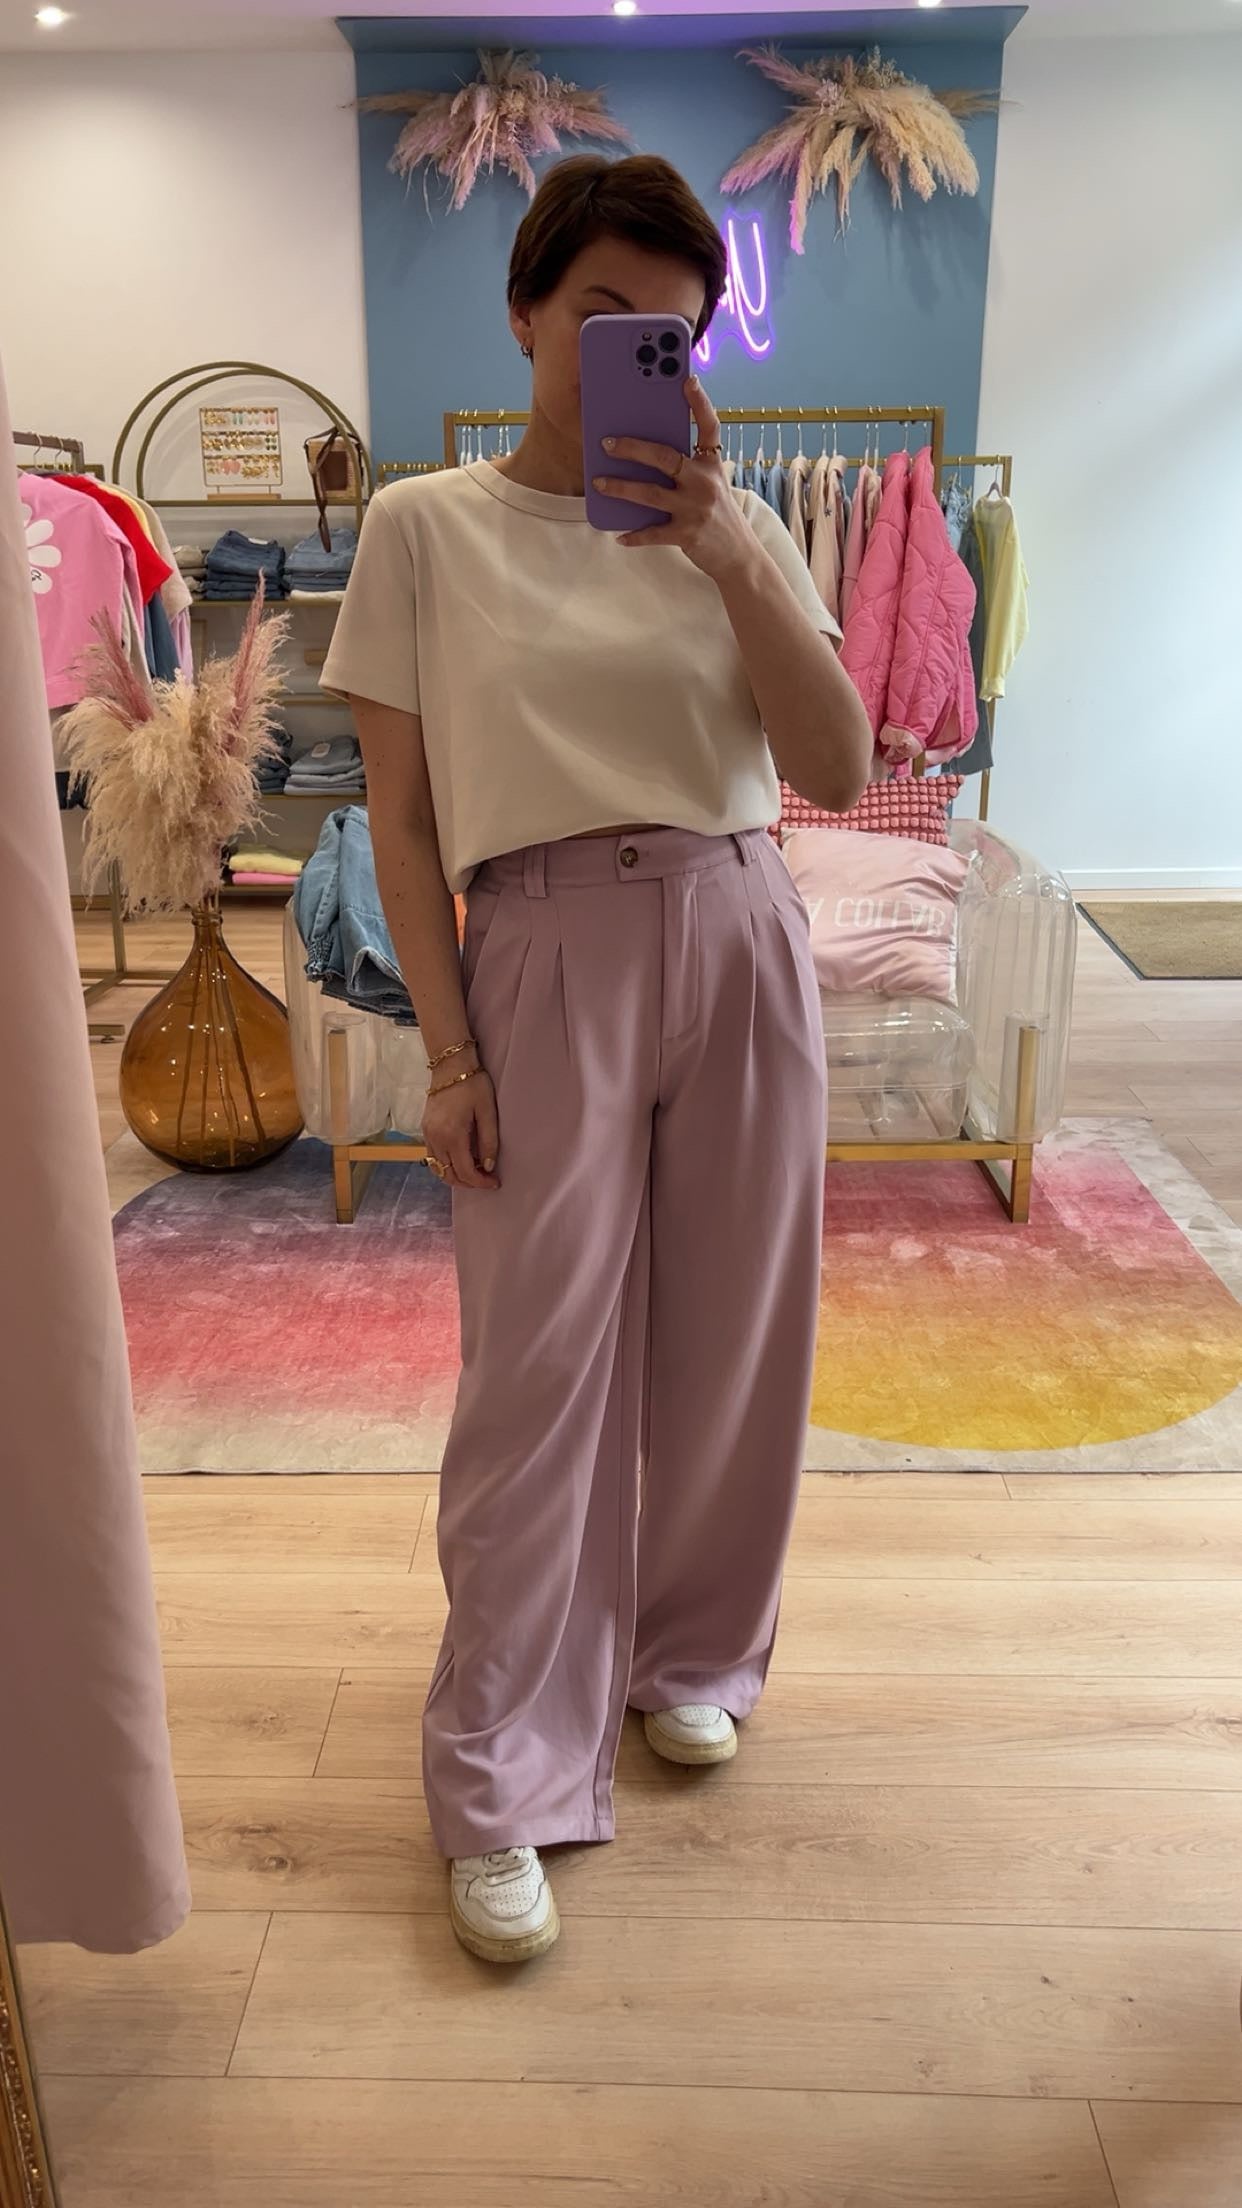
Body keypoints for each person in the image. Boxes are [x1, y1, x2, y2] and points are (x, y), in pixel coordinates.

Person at [320, 154, 873, 1964]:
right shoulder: (423, 527)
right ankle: (497, 1773)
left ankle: (691, 1654)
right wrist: (447, 1055)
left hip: (737, 922)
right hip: (541, 946)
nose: (638, 352)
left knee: (734, 1340)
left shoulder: (740, 521)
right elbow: (403, 824)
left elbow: (838, 767)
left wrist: (725, 548)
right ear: (522, 315)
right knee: (533, 1384)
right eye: (600, 316)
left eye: (673, 333)